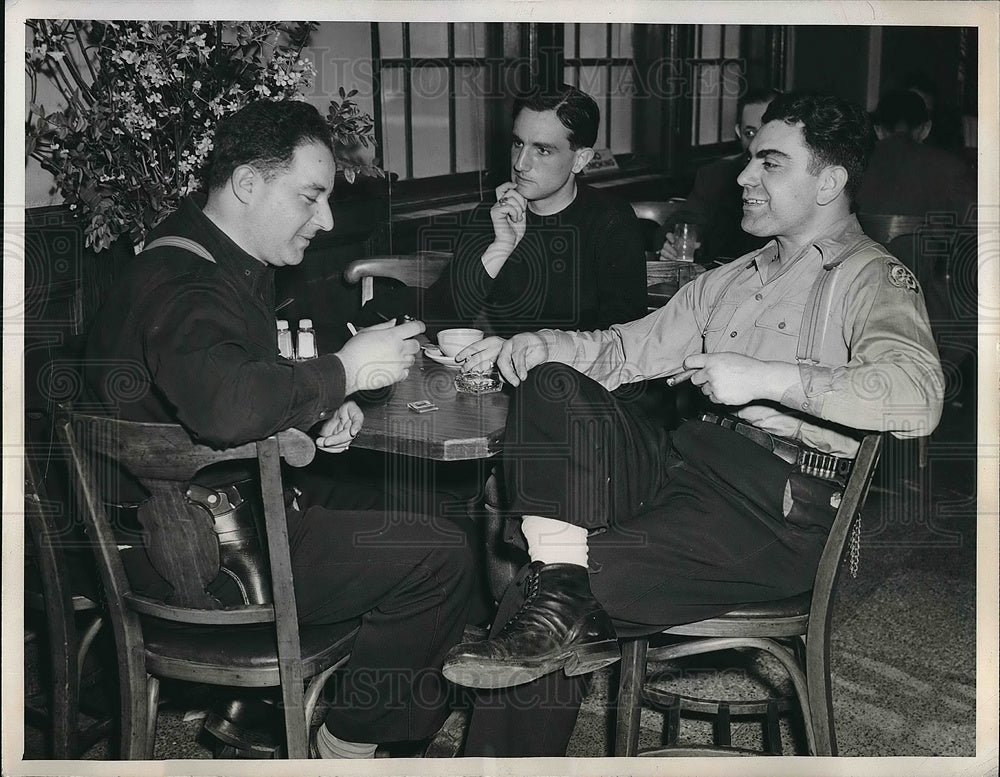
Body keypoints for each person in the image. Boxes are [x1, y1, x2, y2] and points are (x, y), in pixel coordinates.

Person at [443, 92, 945, 756]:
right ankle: (561, 576)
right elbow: (628, 349)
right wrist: (547, 343)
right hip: (684, 468)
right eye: (749, 160)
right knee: (552, 384)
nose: (743, 176)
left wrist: (766, 378)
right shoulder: (734, 277)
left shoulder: (872, 278)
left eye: (770, 163)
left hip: (773, 510)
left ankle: (558, 592)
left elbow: (919, 395)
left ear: (829, 181)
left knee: (537, 600)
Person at [82, 100, 473, 759]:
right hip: (203, 564)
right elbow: (227, 408)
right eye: (309, 197)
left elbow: (211, 391)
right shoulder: (187, 286)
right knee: (443, 552)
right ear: (246, 184)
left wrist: (312, 407)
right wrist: (344, 369)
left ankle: (262, 710)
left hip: (168, 534)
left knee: (402, 507)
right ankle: (347, 741)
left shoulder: (190, 256)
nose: (324, 221)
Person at [655, 87, 781, 265]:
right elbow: (681, 225)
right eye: (750, 133)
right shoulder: (717, 175)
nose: (757, 143)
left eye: (764, 132)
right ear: (738, 132)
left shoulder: (794, 178)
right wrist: (670, 246)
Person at [857, 88, 975, 219]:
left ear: (878, 131)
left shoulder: (855, 164)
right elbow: (974, 227)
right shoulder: (951, 167)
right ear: (926, 129)